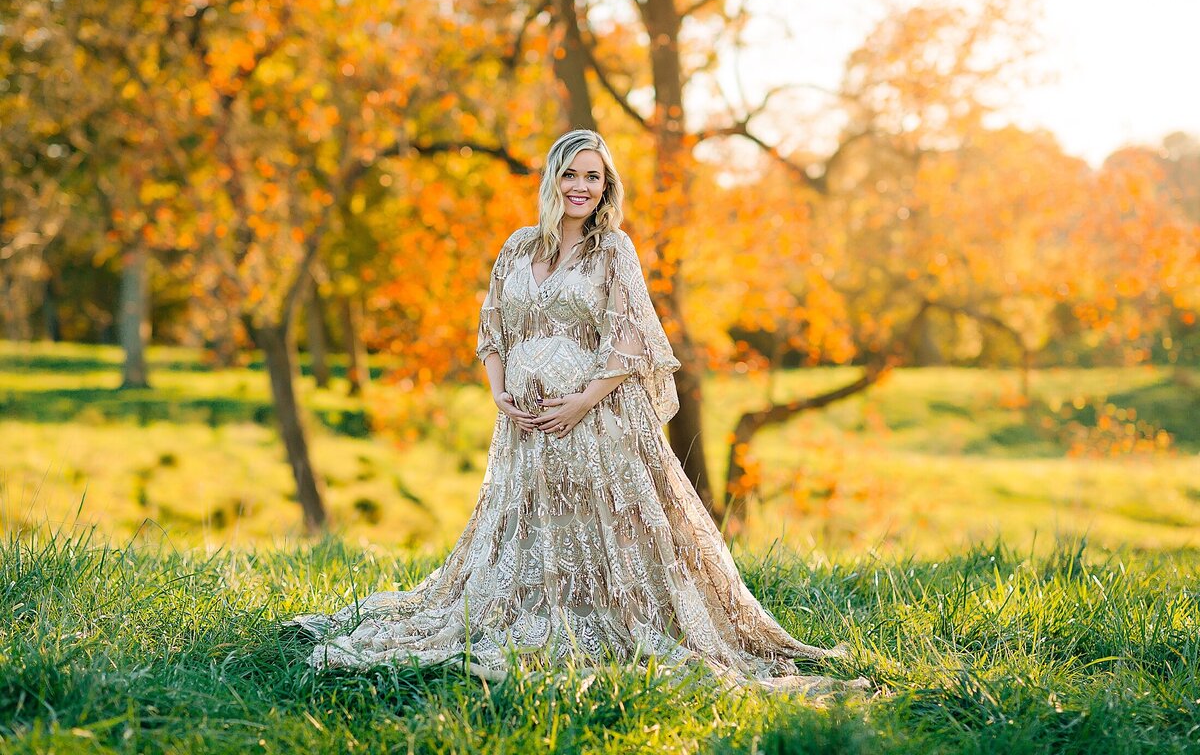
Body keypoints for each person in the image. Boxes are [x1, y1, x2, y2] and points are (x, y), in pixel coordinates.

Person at [286, 129, 866, 695]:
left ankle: (620, 619)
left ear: (606, 185)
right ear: (552, 179)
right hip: (525, 428)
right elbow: (492, 329)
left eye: (594, 176)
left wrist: (582, 400)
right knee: (534, 530)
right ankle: (532, 610)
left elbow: (632, 335)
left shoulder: (613, 249)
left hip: (596, 420)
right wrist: (499, 392)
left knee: (606, 530)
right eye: (572, 173)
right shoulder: (518, 246)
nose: (581, 186)